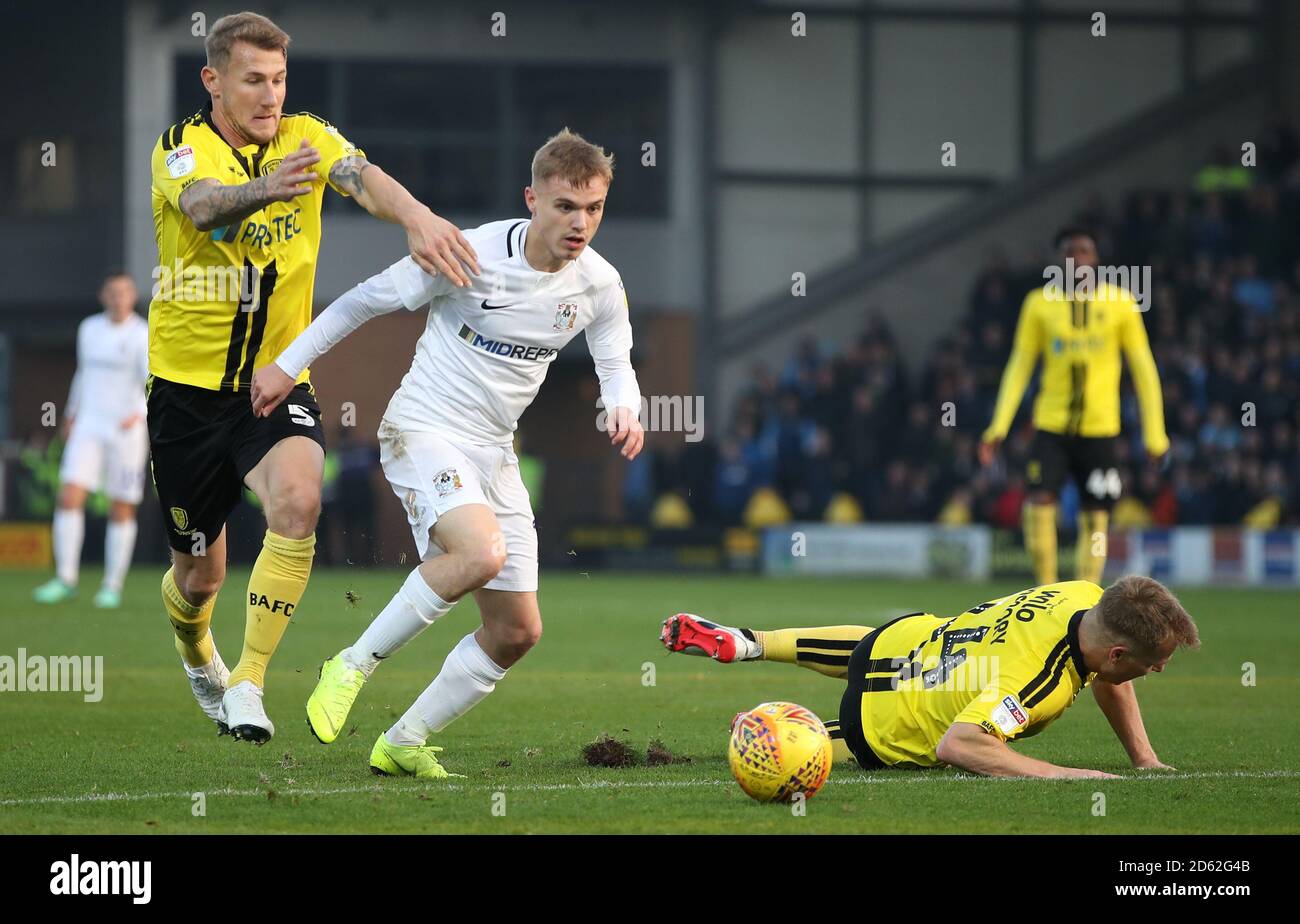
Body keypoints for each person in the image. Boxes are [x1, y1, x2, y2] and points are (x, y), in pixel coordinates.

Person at [251, 129, 644, 778]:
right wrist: (286, 367)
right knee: (479, 553)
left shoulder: (599, 284)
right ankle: (351, 663)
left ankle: (403, 740)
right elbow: (361, 301)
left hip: (494, 451)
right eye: (565, 206)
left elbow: (615, 360)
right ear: (532, 200)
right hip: (423, 429)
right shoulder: (469, 253)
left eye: (594, 208)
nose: (581, 223)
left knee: (517, 632)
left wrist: (623, 406)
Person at [148, 12, 477, 743]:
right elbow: (202, 207)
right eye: (253, 80)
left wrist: (417, 218)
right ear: (214, 81)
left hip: (274, 380)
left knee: (298, 500)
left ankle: (249, 683)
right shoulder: (180, 150)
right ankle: (198, 649)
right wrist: (269, 188)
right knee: (199, 578)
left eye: (279, 80)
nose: (270, 96)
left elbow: (360, 177)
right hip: (185, 397)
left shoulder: (307, 136)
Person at [663, 575, 1198, 778]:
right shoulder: (1041, 683)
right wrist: (1072, 775)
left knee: (885, 653)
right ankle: (772, 734)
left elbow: (1109, 672)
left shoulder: (1085, 596)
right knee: (824, 743)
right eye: (1154, 661)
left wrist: (1143, 758)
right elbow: (960, 745)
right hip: (885, 725)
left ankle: (753, 642)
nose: (1160, 668)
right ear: (1118, 651)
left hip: (908, 642)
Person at [980, 228, 1168, 586]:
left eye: (1085, 251)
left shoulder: (1121, 304)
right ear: (1059, 260)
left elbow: (1144, 370)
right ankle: (1046, 591)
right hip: (1051, 426)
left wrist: (1155, 435)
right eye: (1070, 252)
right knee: (1039, 501)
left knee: (1097, 516)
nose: (1078, 258)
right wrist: (998, 428)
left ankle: (1086, 591)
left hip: (1100, 429)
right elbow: (1019, 366)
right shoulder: (1039, 304)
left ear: (1096, 259)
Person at [33, 271, 148, 610]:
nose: (118, 297)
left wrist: (139, 412)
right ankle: (65, 579)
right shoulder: (89, 329)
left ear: (132, 296)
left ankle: (112, 585)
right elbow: (82, 374)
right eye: (112, 292)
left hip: (127, 430)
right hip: (89, 424)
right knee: (69, 496)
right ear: (103, 295)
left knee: (121, 505)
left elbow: (151, 379)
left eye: (124, 292)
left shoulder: (142, 333)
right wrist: (70, 414)